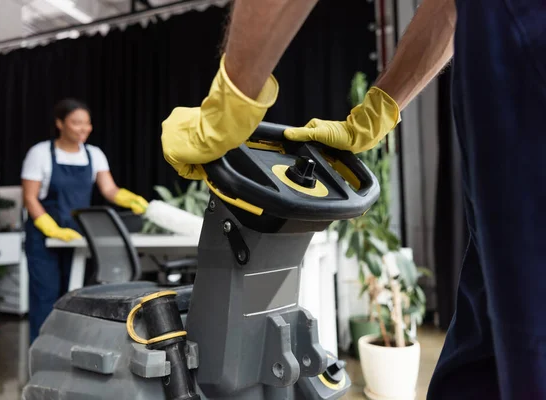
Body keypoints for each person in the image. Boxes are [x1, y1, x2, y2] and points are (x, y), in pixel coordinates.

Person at [161, 0, 546, 398]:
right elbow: (449, 8)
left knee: (529, 342)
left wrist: (230, 103)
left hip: (522, 51)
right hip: (511, 51)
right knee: (482, 356)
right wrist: (378, 112)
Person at [22, 98, 148, 342]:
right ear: (60, 124)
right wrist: (50, 228)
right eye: (76, 123)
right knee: (45, 294)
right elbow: (30, 198)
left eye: (87, 124)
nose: (84, 129)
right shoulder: (40, 154)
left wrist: (131, 199)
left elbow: (109, 189)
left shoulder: (94, 154)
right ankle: (41, 350)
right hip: (44, 235)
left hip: (79, 234)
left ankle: (71, 348)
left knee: (77, 292)